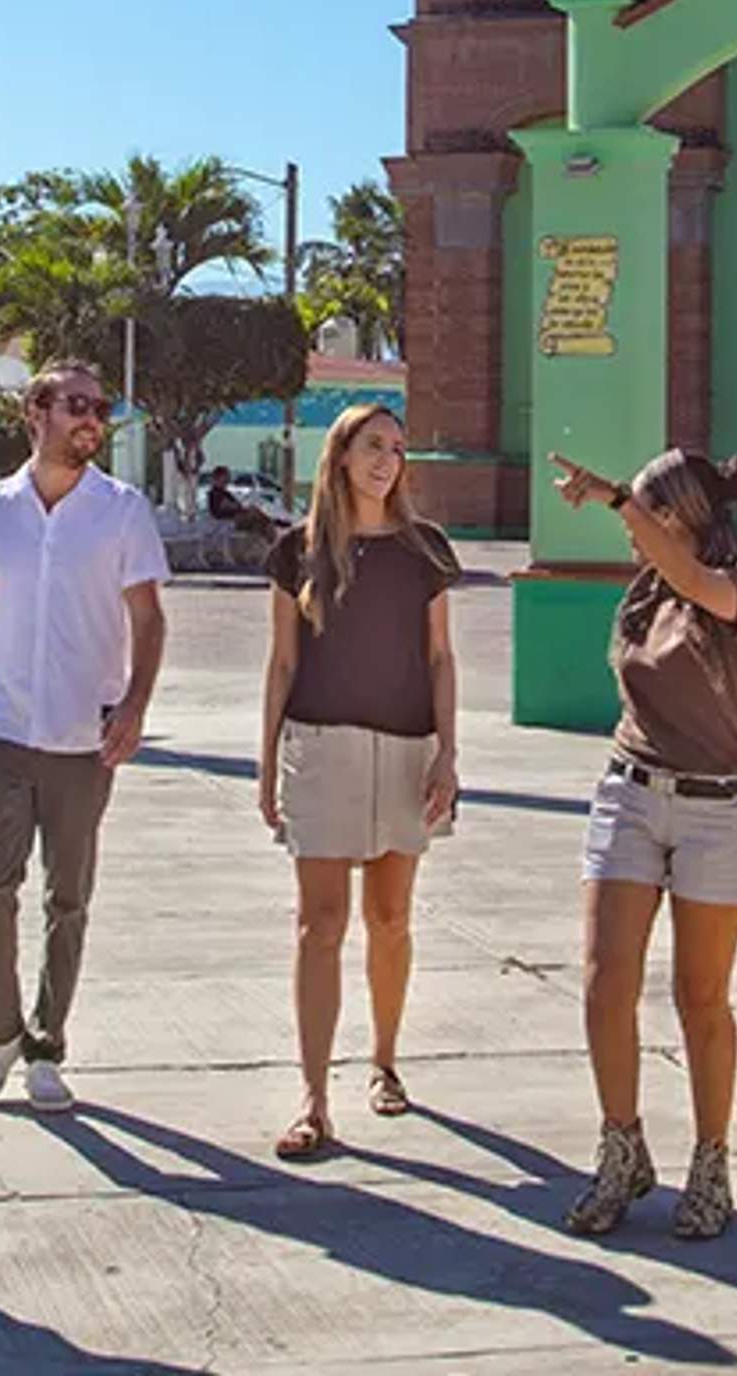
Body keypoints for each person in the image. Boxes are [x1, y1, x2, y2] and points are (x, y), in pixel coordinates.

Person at [0, 360, 169, 1112]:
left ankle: (46, 1043)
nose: (92, 418)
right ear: (36, 411)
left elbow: (148, 616)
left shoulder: (122, 509)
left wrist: (134, 703)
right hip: (1, 729)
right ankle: (0, 1032)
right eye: (76, 405)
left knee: (69, 897)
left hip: (83, 736)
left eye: (101, 407)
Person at [547, 445, 737, 1242]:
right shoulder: (645, 593)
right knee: (606, 981)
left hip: (717, 812)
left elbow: (691, 578)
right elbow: (664, 573)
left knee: (700, 999)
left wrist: (613, 496)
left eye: (648, 514)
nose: (632, 534)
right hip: (632, 794)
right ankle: (621, 1149)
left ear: (682, 518)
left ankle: (711, 1164)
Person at [256, 403, 462, 1158]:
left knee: (391, 919)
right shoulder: (295, 551)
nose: (387, 460)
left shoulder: (425, 551)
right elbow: (282, 663)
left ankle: (384, 1063)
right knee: (319, 925)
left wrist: (449, 752)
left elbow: (440, 659)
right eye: (373, 445)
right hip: (319, 747)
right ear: (340, 455)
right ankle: (313, 1100)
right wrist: (264, 761)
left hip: (407, 750)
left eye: (399, 449)